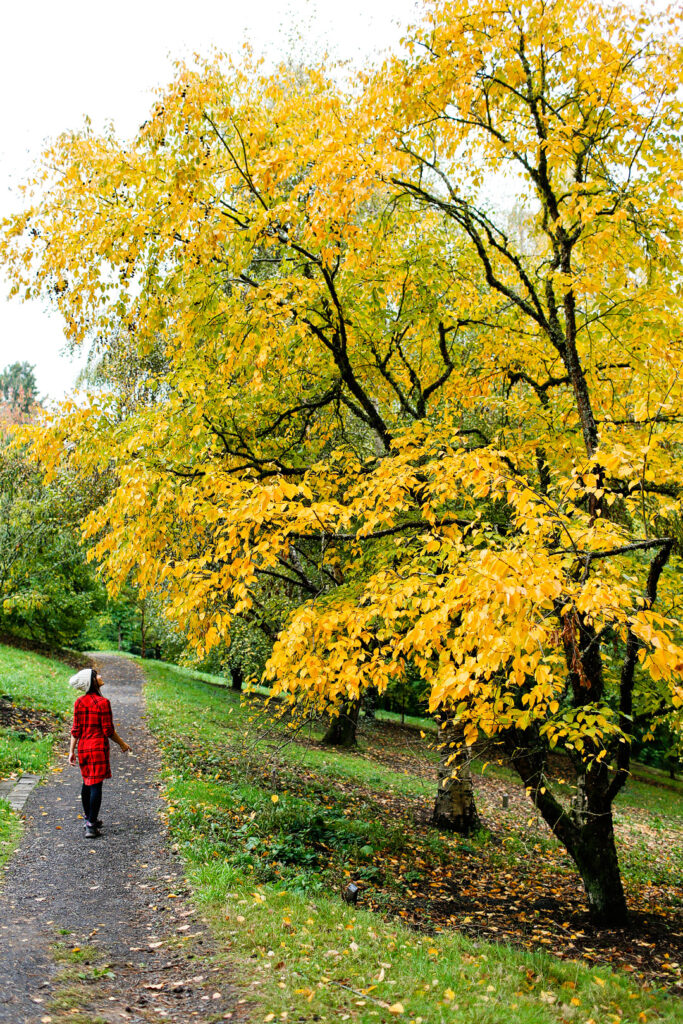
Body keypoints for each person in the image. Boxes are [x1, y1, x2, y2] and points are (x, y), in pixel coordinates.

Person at [68, 668, 131, 838]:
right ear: (92, 681)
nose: (100, 676)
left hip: (83, 747)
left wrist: (71, 751)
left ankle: (89, 819)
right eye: (96, 675)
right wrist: (122, 744)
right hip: (97, 748)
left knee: (86, 782)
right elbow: (108, 730)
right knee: (96, 785)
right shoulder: (103, 703)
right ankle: (91, 824)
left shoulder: (79, 702)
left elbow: (76, 730)